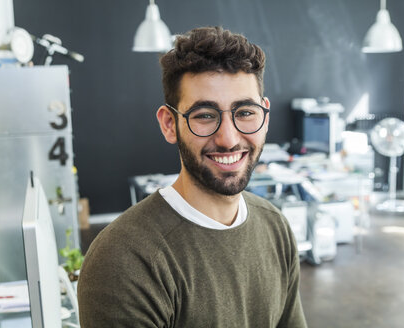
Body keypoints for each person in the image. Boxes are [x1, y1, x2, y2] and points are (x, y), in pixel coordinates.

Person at [78, 26, 307, 328]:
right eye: (205, 115)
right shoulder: (124, 259)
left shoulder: (274, 225)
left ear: (264, 116)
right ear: (169, 124)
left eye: (245, 112)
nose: (228, 138)